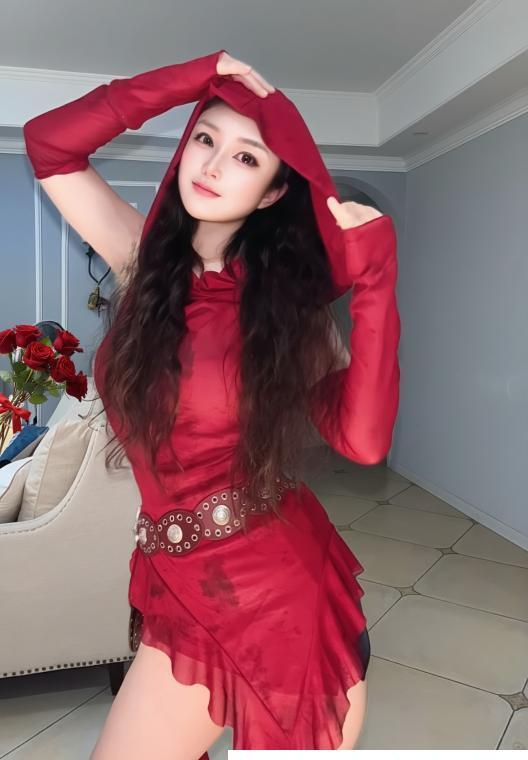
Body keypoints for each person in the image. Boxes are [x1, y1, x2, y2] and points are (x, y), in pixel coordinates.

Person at [23, 49, 401, 757]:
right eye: (206, 137)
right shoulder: (140, 259)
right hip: (175, 580)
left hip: (276, 591)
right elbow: (49, 143)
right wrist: (191, 78)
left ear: (272, 193)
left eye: (246, 157)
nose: (214, 164)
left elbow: (364, 441)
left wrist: (377, 280)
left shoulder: (291, 315)